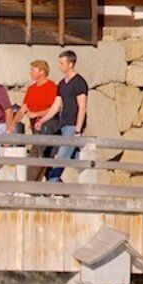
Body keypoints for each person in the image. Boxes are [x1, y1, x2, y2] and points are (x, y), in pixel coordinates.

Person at [52, 49, 92, 184]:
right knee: (76, 158)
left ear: (70, 64)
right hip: (64, 124)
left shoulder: (79, 82)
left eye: (62, 63)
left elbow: (82, 107)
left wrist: (78, 129)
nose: (60, 66)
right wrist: (42, 120)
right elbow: (56, 105)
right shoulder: (62, 84)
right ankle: (89, 183)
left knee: (62, 156)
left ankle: (48, 187)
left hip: (73, 124)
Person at [17, 59, 59, 180]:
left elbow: (54, 108)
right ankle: (58, 189)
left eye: (33, 70)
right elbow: (23, 108)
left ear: (41, 72)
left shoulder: (51, 87)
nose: (30, 73)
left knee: (37, 155)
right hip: (36, 129)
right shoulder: (31, 89)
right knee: (44, 157)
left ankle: (30, 188)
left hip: (47, 127)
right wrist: (12, 124)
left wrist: (36, 114)